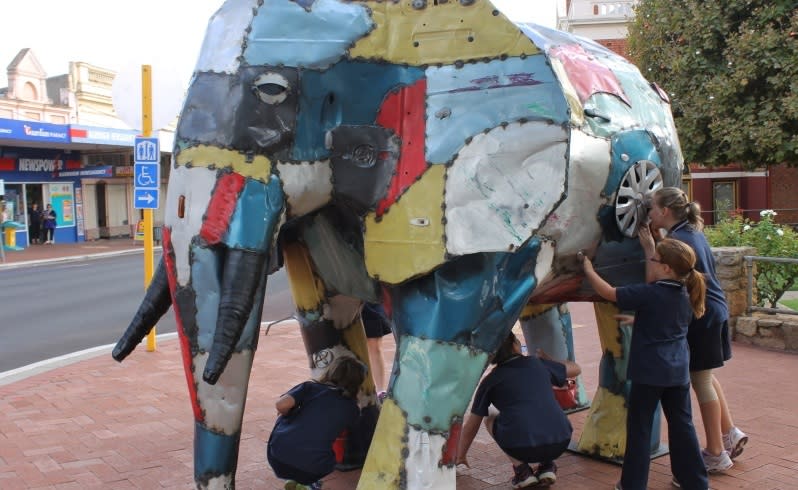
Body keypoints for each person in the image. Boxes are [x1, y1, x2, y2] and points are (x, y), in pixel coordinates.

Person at [582, 238, 709, 490]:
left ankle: (632, 484)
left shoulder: (650, 293)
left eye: (655, 260)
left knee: (639, 428)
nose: (652, 262)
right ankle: (694, 481)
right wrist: (651, 247)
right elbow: (665, 321)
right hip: (677, 371)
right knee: (683, 425)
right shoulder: (688, 292)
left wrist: (587, 268)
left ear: (667, 269)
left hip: (649, 373)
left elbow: (608, 292)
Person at [646, 187, 746, 472]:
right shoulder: (690, 232)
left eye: (652, 208)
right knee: (705, 375)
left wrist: (649, 249)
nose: (650, 213)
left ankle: (716, 452)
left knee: (700, 380)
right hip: (714, 310)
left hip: (702, 314)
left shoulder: (679, 238)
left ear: (665, 212)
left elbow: (658, 277)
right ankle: (729, 433)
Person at [457, 332, 580, 488]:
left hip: (521, 446)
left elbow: (472, 424)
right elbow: (576, 369)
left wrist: (461, 454)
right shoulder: (538, 364)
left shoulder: (490, 381)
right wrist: (549, 359)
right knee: (542, 412)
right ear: (515, 346)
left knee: (490, 418)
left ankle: (522, 471)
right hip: (562, 440)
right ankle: (547, 465)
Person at [267, 356, 367, 490]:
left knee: (289, 418)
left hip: (277, 457)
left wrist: (288, 414)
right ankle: (308, 484)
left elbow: (281, 405)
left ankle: (296, 479)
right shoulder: (353, 409)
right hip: (312, 469)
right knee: (328, 441)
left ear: (331, 372)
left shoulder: (310, 388)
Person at [361, 302, 392, 398]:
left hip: (369, 298)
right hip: (345, 296)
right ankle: (361, 390)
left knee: (374, 343)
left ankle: (380, 391)